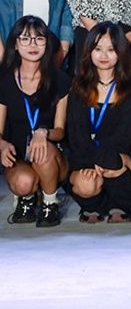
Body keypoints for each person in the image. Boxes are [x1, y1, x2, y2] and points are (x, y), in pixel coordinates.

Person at [66, 22, 131, 223]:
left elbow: (125, 135)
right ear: (89, 51)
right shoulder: (78, 87)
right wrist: (94, 160)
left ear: (121, 52)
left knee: (114, 163)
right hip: (84, 156)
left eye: (111, 49)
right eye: (98, 49)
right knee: (87, 183)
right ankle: (92, 206)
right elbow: (76, 134)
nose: (104, 55)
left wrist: (106, 158)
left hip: (119, 153)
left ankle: (120, 205)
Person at [0, 16, 70, 227]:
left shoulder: (60, 80)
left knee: (42, 148)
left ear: (47, 44)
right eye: (25, 39)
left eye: (39, 39)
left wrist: (43, 132)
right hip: (19, 157)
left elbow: (60, 130)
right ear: (15, 44)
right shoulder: (4, 81)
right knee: (23, 182)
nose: (33, 45)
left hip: (53, 158)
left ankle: (50, 202)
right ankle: (27, 197)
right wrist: (2, 144)